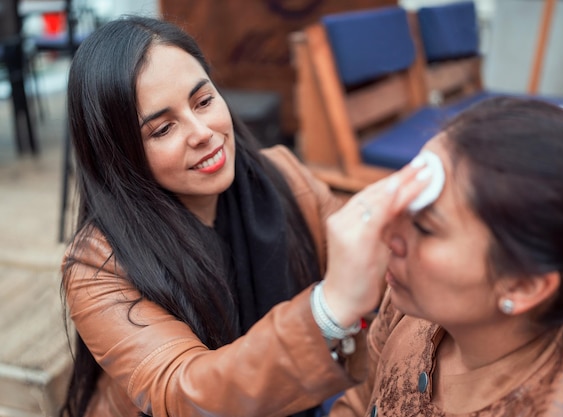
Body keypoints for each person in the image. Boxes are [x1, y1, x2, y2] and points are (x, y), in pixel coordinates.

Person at [59, 15, 430, 417]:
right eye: (163, 129)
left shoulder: (284, 176)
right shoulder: (96, 267)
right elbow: (183, 396)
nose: (202, 131)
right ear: (119, 155)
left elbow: (377, 281)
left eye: (203, 101)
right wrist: (328, 308)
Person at [329, 96, 563, 416]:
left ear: (523, 285)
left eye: (426, 228)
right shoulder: (414, 305)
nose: (386, 233)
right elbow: (360, 403)